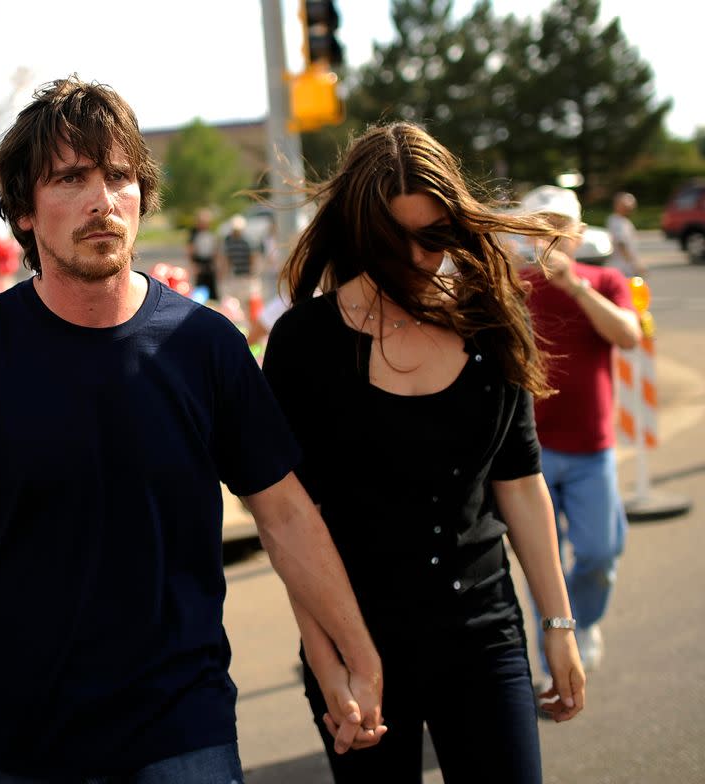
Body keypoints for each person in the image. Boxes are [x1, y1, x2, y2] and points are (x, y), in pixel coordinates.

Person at [0, 76, 385, 784]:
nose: (101, 200)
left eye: (118, 176)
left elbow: (288, 515)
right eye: (70, 178)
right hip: (19, 736)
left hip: (184, 728)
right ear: (23, 211)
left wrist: (358, 657)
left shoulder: (206, 345)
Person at [261, 122, 586, 783]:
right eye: (391, 241)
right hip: (359, 641)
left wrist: (559, 622)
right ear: (357, 232)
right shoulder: (305, 345)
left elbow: (520, 483)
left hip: (485, 630)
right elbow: (294, 525)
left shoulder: (492, 319)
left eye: (433, 237)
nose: (415, 257)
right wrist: (330, 669)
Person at [515, 185, 640, 680]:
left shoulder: (604, 279)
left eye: (558, 225)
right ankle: (552, 659)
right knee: (539, 565)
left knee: (599, 553)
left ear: (577, 233)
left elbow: (628, 336)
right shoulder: (513, 286)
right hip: (531, 454)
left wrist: (576, 287)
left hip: (591, 448)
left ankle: (583, 622)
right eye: (539, 225)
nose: (549, 236)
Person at [606, 191, 645, 278]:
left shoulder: (622, 221)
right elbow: (621, 245)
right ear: (617, 205)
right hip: (623, 268)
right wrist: (635, 264)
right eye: (626, 205)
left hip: (625, 267)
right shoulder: (617, 222)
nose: (630, 207)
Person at [187, 206, 220, 300]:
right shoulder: (194, 234)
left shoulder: (210, 233)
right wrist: (194, 264)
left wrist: (217, 265)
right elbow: (190, 250)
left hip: (209, 263)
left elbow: (215, 249)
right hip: (200, 262)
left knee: (212, 289)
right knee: (200, 289)